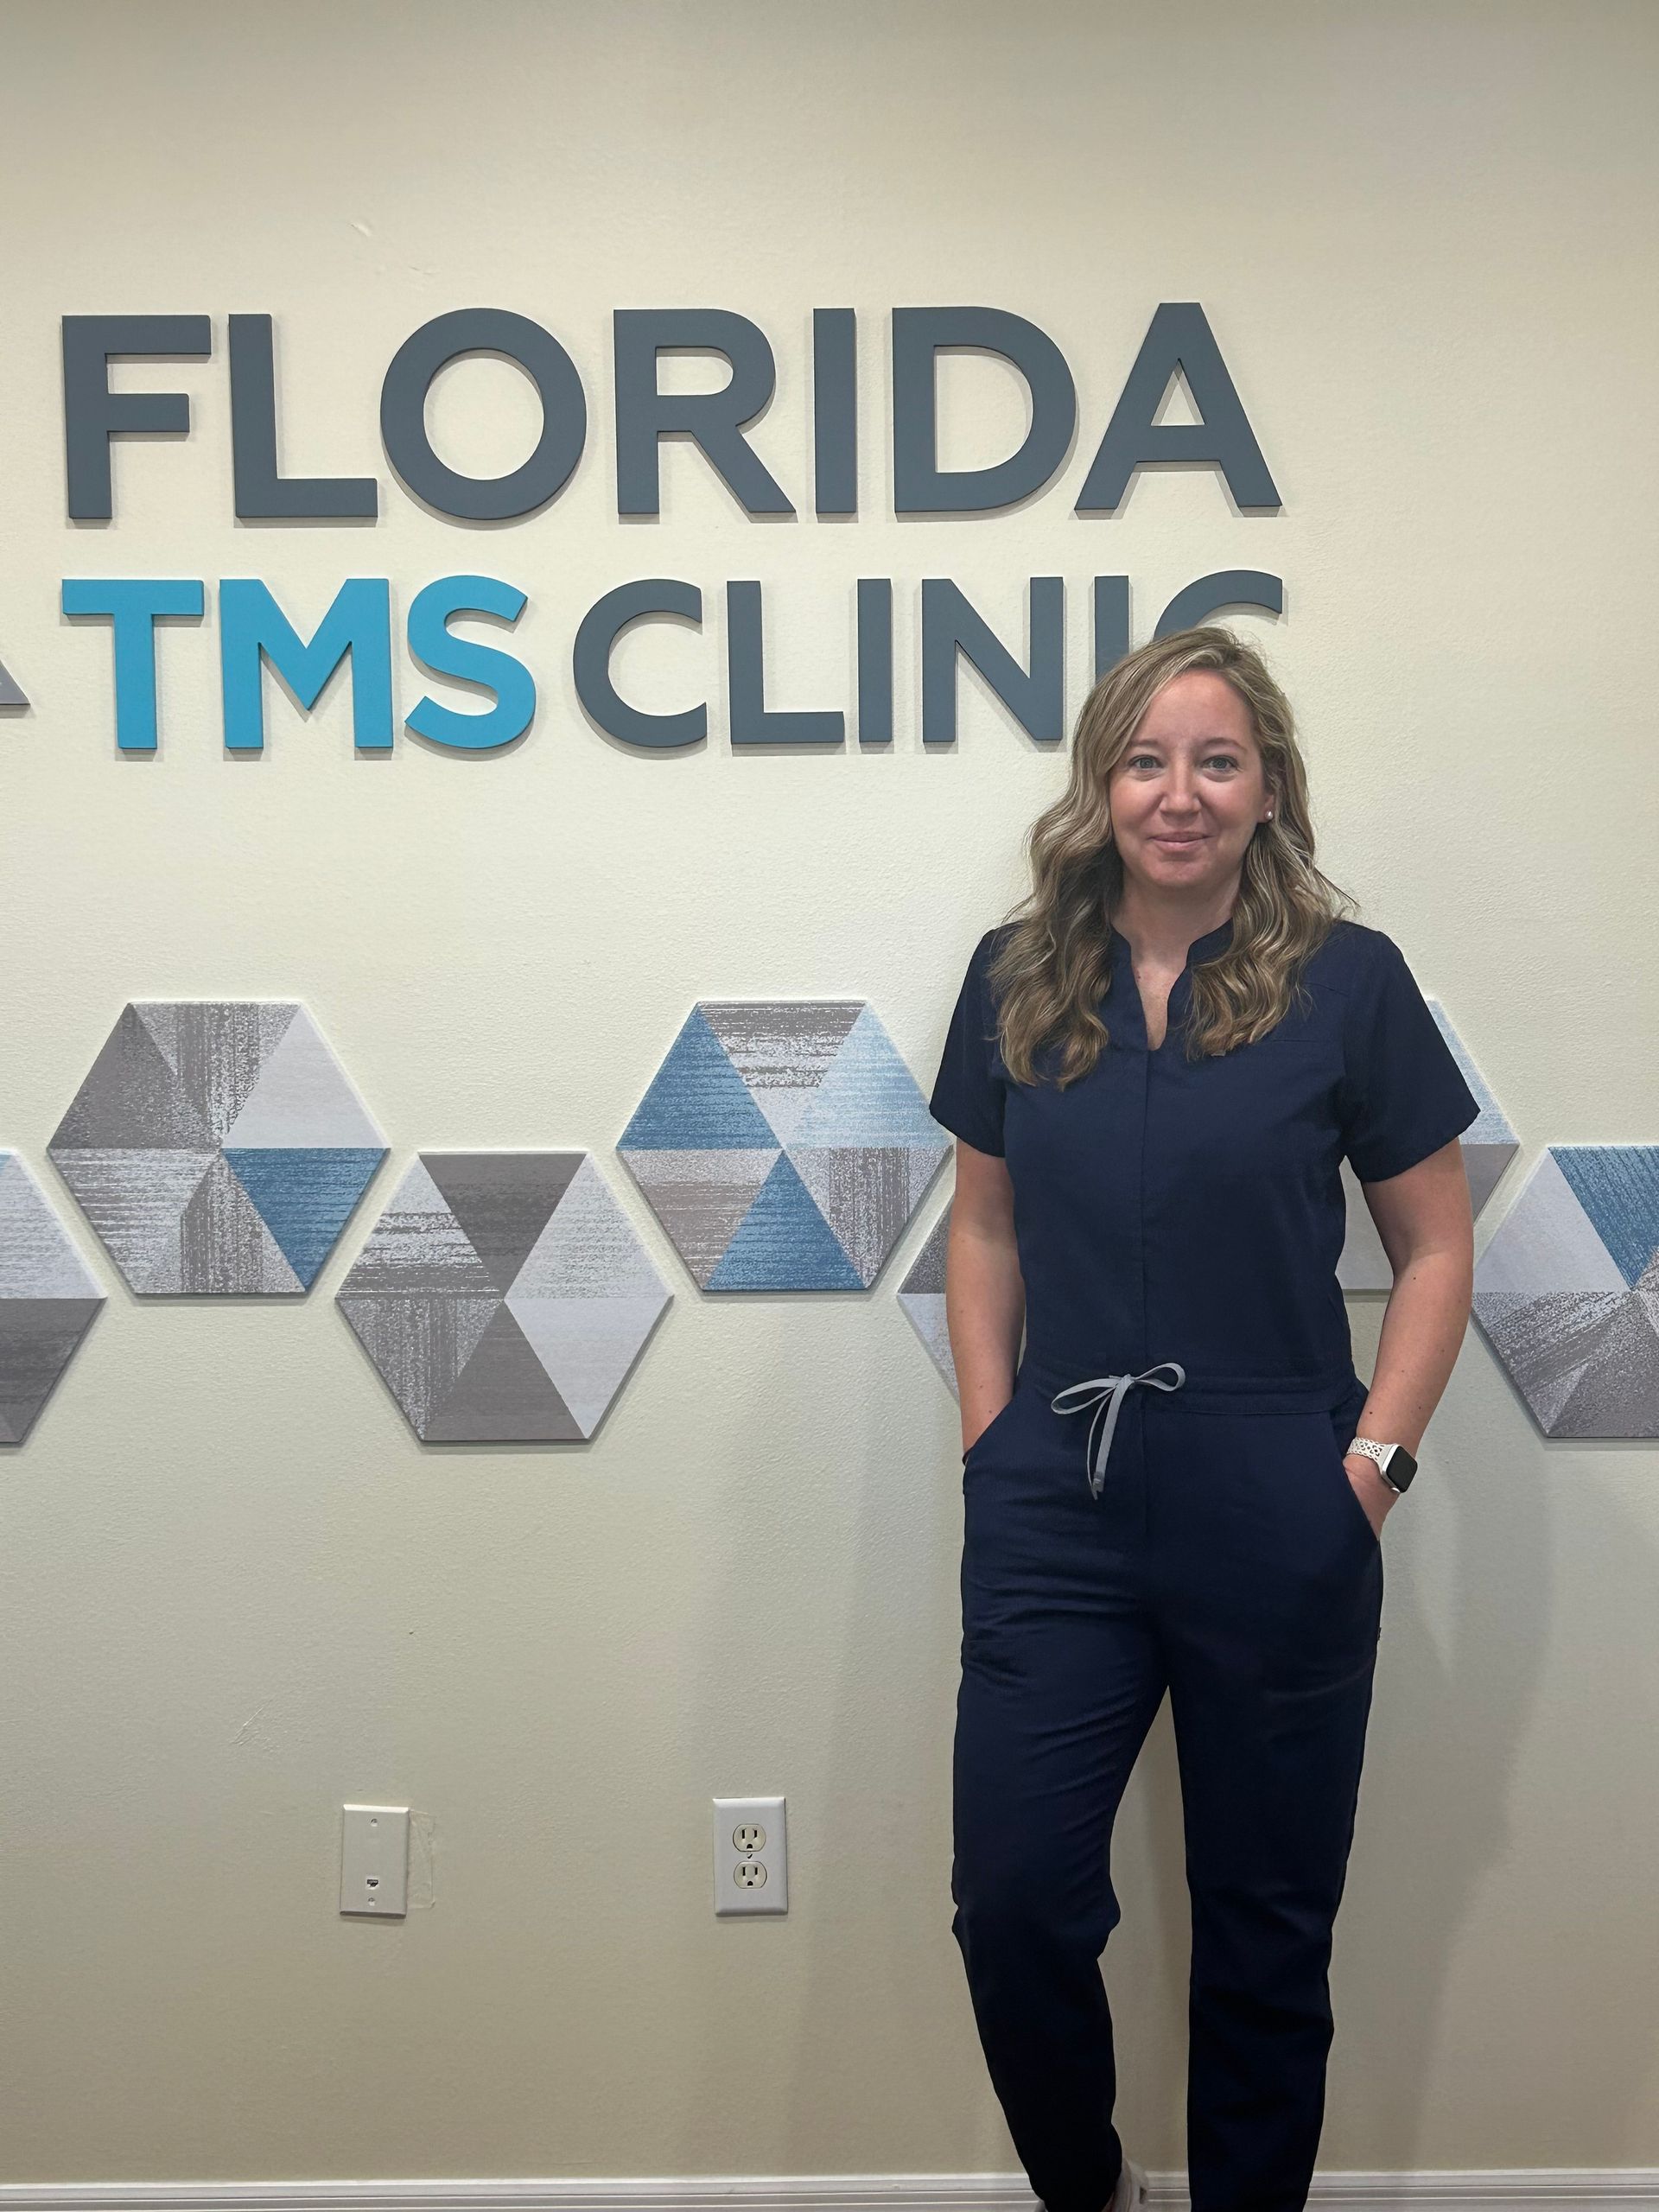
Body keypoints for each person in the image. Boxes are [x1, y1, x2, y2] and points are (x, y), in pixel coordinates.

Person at [927, 626, 1478, 2212]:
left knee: (1265, 1920)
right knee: (1016, 1901)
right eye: (1147, 760)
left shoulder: (1347, 983)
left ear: (1268, 787)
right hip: (1058, 1498)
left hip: (1280, 1493)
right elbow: (984, 1230)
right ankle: (1088, 2189)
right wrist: (991, 1440)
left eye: (1216, 761)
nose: (1180, 795)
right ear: (1103, 782)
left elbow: (1435, 1246)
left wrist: (1365, 1472)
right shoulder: (1016, 971)